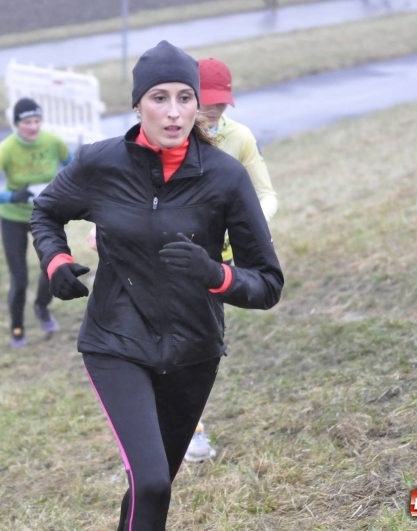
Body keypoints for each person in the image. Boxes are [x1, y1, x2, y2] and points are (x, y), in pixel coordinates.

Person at [30, 40, 283, 530]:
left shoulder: (226, 177)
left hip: (194, 349)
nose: (174, 113)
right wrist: (56, 260)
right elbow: (45, 211)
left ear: (198, 104)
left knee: (153, 487)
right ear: (137, 104)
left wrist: (215, 274)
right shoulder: (100, 165)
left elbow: (267, 283)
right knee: (151, 482)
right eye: (159, 98)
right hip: (116, 341)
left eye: (185, 98)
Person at [183, 57, 279, 463]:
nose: (216, 111)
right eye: (209, 101)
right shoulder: (167, 133)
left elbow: (267, 195)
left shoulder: (238, 138)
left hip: (216, 266)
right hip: (166, 259)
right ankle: (182, 431)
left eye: (223, 103)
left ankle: (188, 428)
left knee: (202, 346)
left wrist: (251, 227)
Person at [0, 97, 72, 348]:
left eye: (37, 121)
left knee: (52, 268)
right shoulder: (5, 149)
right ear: (17, 123)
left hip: (45, 215)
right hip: (14, 218)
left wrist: (65, 192)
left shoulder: (53, 142)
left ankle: (42, 306)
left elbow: (75, 170)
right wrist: (11, 196)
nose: (33, 127)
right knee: (19, 280)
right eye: (27, 122)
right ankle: (17, 329)